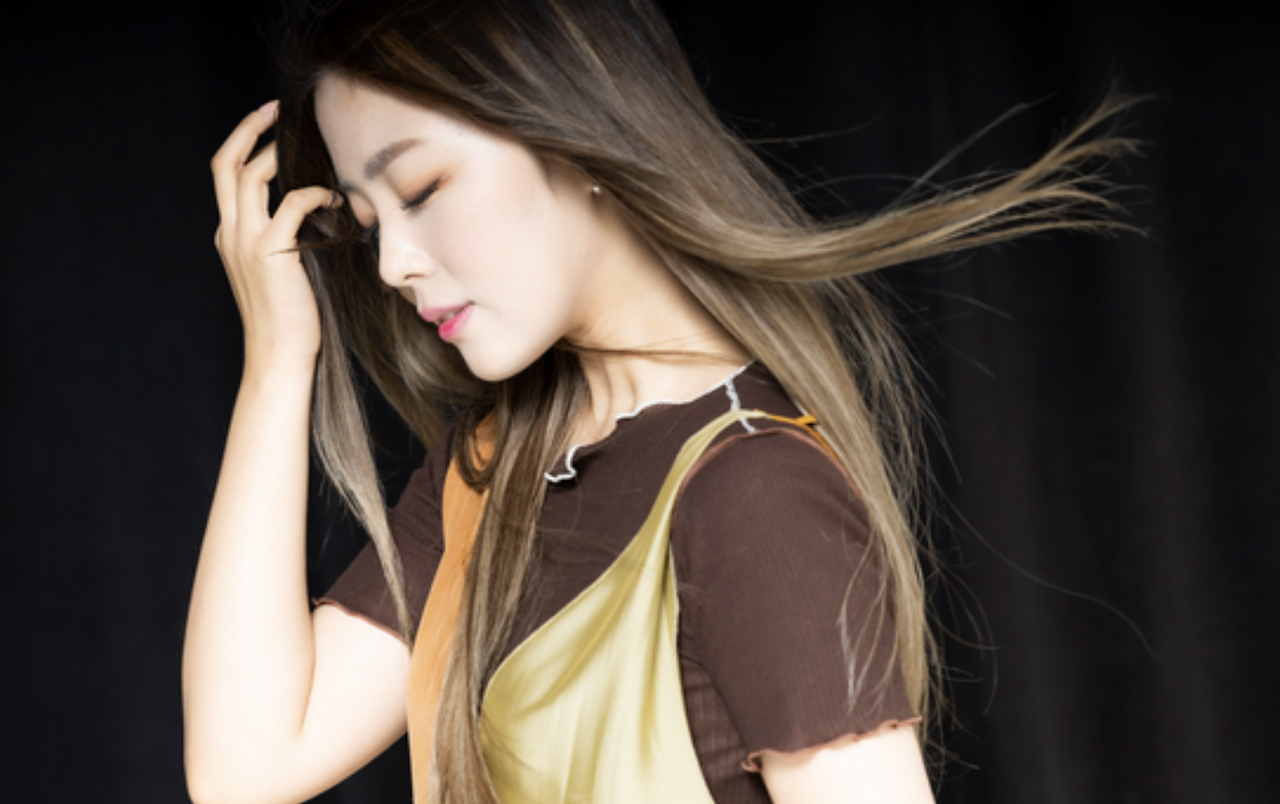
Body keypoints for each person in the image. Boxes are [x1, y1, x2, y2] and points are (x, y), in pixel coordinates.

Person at [182, 1, 1135, 802]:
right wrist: (278, 360)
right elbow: (245, 769)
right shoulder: (491, 470)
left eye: (421, 189)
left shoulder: (755, 494)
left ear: (575, 132)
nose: (392, 263)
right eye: (367, 223)